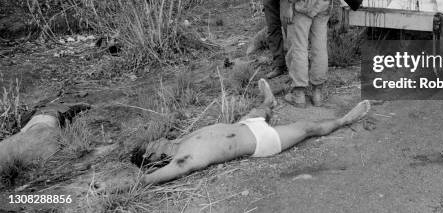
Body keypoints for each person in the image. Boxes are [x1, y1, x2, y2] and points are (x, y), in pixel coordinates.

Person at [130, 79, 370, 185]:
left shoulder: (180, 140)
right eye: (151, 146)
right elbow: (148, 179)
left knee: (258, 111)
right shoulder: (182, 160)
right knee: (307, 128)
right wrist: (113, 188)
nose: (155, 140)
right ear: (153, 157)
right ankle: (344, 119)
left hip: (246, 126)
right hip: (260, 142)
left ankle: (269, 103)